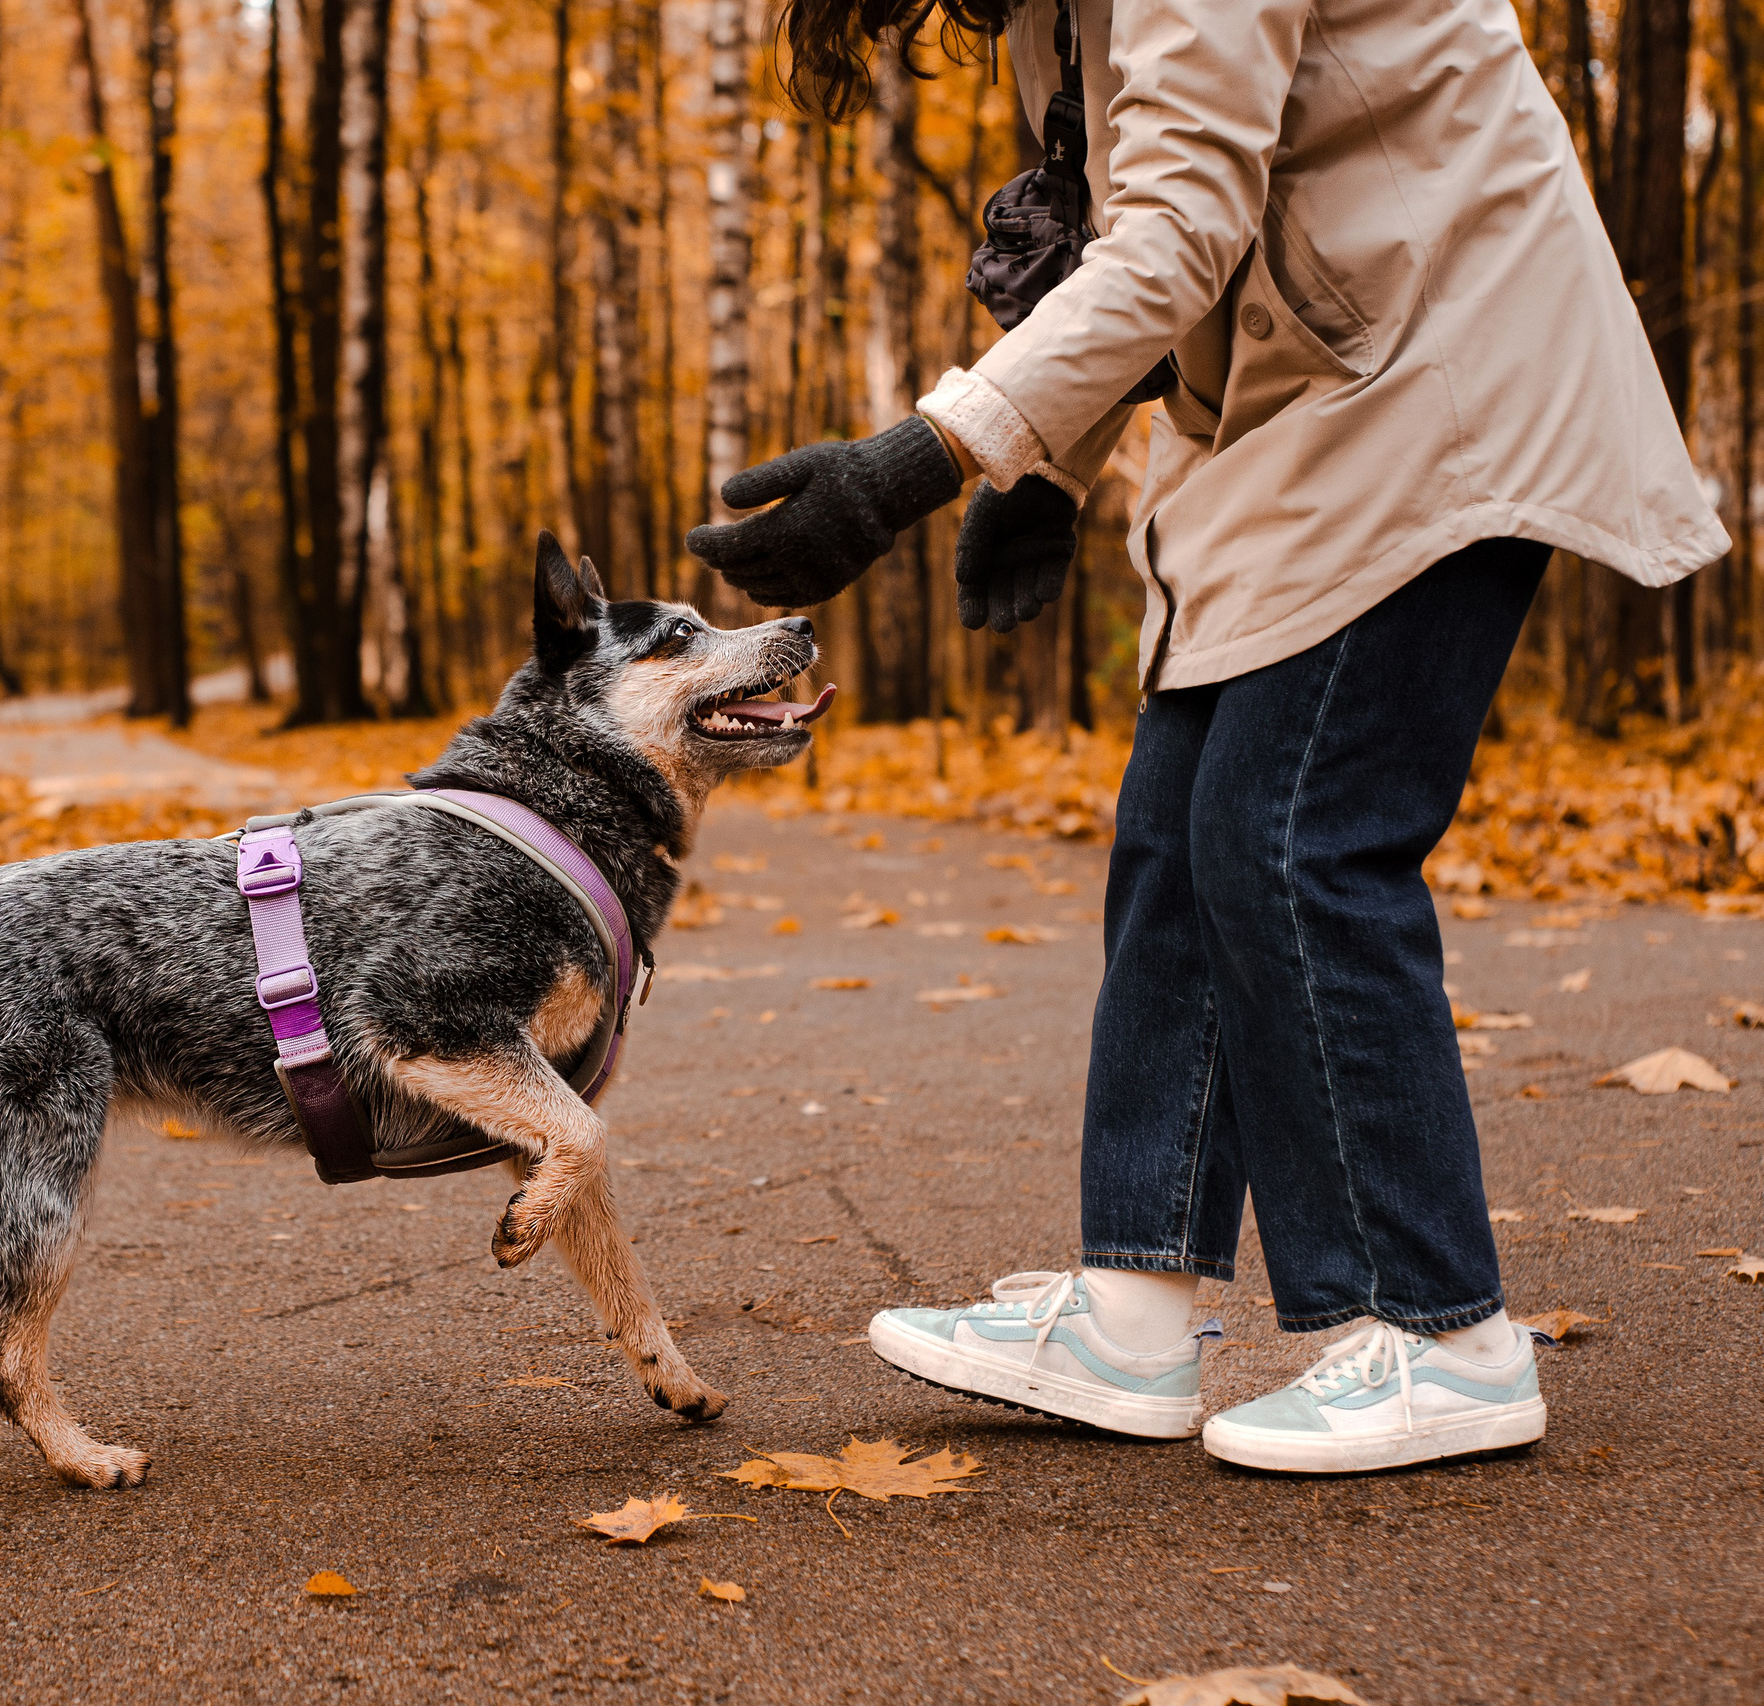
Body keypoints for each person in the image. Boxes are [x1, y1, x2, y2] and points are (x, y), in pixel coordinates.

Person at [687, 0, 1727, 1472]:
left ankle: (1438, 1334)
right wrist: (1046, 468)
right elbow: (1126, 233)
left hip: (1445, 366)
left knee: (1291, 831)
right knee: (1180, 829)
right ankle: (1135, 1306)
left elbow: (1183, 226)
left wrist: (926, 459)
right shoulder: (1054, 12)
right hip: (1300, 406)